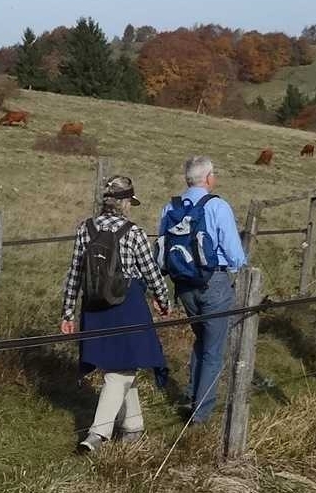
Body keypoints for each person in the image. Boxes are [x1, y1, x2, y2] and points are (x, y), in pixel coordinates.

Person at [59, 176, 174, 454]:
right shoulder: (134, 232)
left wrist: (68, 312)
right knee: (118, 372)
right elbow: (150, 272)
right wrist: (164, 300)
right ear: (124, 203)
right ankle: (96, 436)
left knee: (123, 366)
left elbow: (75, 272)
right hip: (127, 304)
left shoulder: (84, 229)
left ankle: (133, 426)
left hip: (94, 305)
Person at [158, 156, 247, 423]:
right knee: (213, 349)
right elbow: (234, 253)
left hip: (183, 284)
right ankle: (201, 413)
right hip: (214, 282)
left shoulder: (170, 207)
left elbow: (163, 244)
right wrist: (238, 267)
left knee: (201, 339)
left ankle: (191, 394)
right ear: (208, 178)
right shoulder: (217, 206)